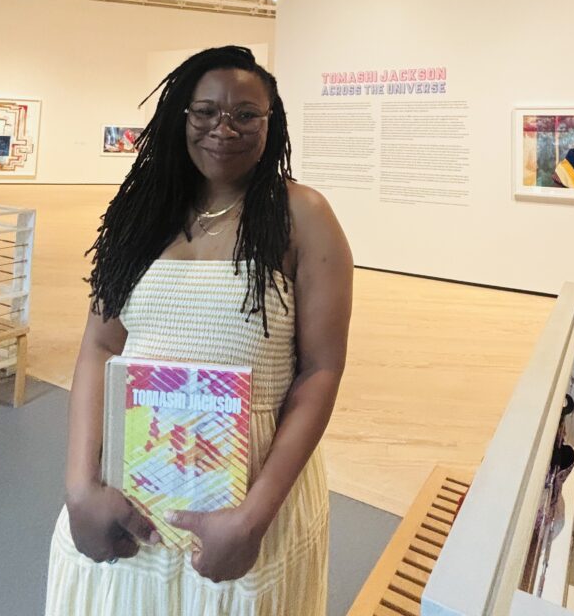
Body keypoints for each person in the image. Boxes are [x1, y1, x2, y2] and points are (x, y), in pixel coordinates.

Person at [45, 46, 353, 616]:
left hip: (250, 486)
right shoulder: (140, 214)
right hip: (129, 476)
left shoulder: (302, 215)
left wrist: (254, 516)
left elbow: (320, 371)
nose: (223, 128)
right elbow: (100, 346)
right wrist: (80, 488)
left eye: (245, 115)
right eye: (205, 111)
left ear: (272, 122)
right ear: (179, 117)